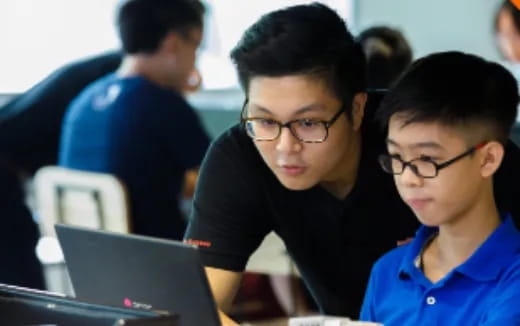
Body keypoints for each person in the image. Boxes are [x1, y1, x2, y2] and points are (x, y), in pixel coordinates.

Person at [184, 3, 520, 325]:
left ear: (357, 109)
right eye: (264, 121)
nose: (285, 147)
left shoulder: (417, 139)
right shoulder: (241, 155)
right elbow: (193, 309)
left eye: (309, 123)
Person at [360, 52, 520, 325]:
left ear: (488, 159)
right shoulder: (388, 271)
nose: (408, 179)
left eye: (427, 159)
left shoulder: (512, 281)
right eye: (397, 157)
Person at [59, 0, 210, 240]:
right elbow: (217, 179)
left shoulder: (85, 100)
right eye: (196, 46)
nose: (195, 60)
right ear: (172, 43)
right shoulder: (160, 102)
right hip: (156, 256)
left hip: (90, 260)